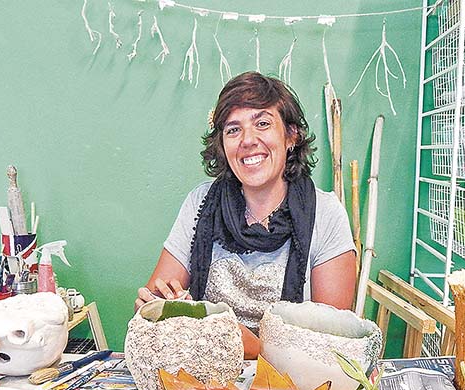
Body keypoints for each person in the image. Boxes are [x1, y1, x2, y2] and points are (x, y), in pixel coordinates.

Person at [136, 71, 357, 359]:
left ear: (291, 135)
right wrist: (156, 306)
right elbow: (157, 302)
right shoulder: (201, 203)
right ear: (222, 145)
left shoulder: (326, 214)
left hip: (292, 387)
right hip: (207, 377)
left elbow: (331, 346)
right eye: (233, 129)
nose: (248, 140)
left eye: (263, 123)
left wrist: (252, 346)